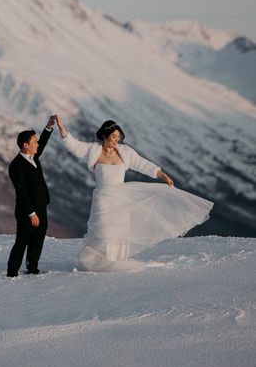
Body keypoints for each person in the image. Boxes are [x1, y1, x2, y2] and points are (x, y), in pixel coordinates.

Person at [55, 116, 213, 271]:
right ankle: (100, 262)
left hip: (121, 198)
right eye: (114, 136)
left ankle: (115, 261)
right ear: (104, 135)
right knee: (103, 230)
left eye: (119, 137)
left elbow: (143, 164)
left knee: (119, 231)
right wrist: (62, 128)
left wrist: (162, 175)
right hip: (103, 200)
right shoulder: (93, 150)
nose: (117, 140)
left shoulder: (125, 152)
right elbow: (73, 145)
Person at [7, 116, 56, 277]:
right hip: (27, 211)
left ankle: (32, 268)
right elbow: (21, 191)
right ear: (25, 145)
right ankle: (12, 272)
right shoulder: (16, 166)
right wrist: (31, 213)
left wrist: (49, 127)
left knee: (37, 240)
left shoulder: (33, 156)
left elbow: (42, 145)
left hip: (41, 207)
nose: (37, 144)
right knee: (22, 241)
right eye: (34, 141)